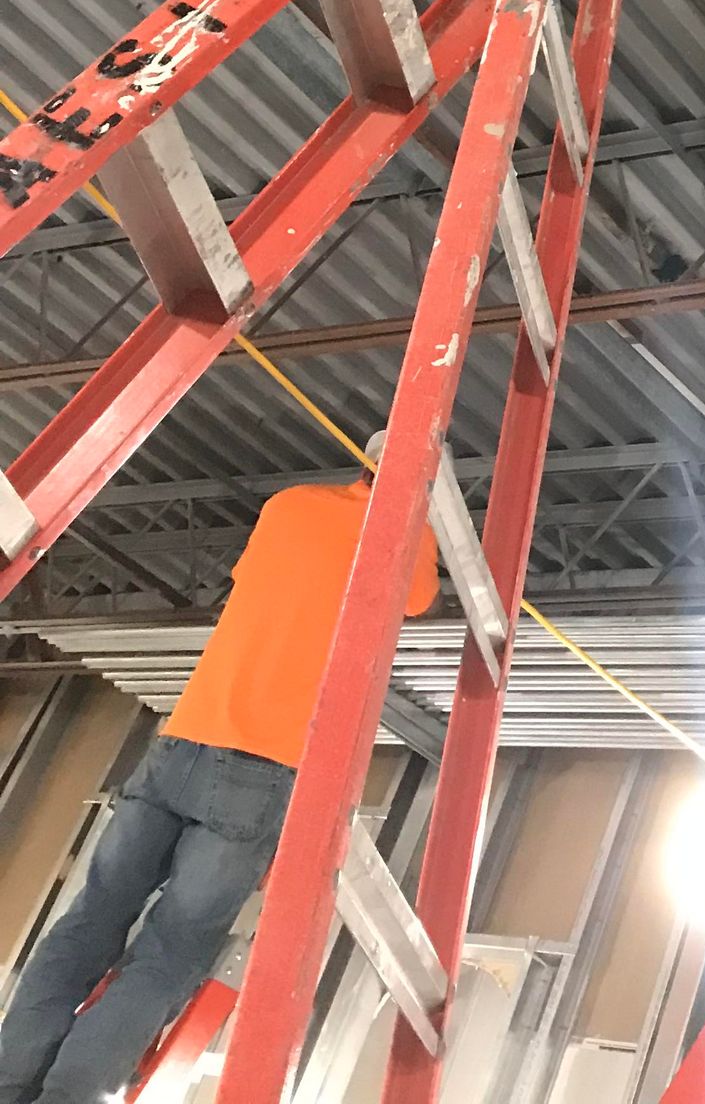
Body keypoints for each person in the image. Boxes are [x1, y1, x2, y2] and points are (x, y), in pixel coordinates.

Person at [0, 438, 436, 1104]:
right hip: (262, 769)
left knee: (90, 921)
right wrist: (424, 511)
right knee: (171, 950)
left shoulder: (290, 506)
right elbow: (417, 599)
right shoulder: (406, 541)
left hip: (186, 739)